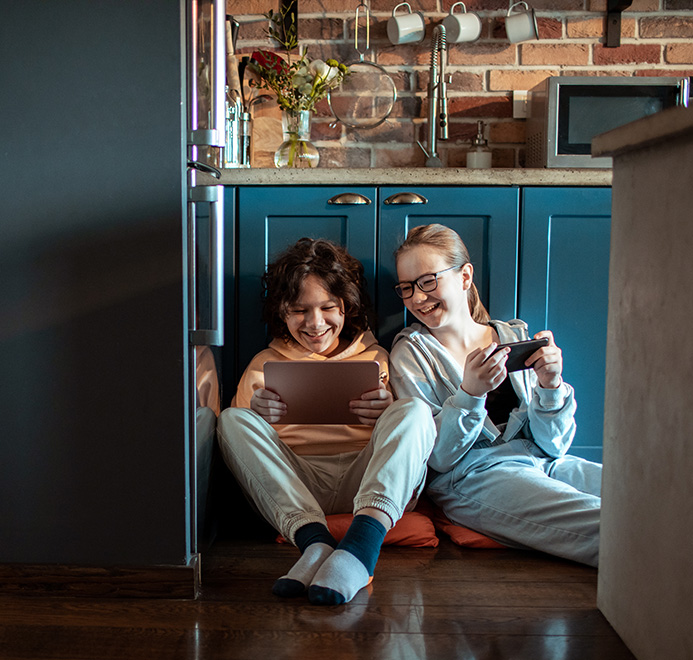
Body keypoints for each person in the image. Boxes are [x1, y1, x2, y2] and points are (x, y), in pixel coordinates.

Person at [217, 238, 435, 605]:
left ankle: (360, 550)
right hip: (297, 486)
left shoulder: (378, 357)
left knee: (415, 410)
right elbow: (246, 458)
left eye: (328, 307)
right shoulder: (262, 364)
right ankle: (314, 544)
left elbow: (409, 440)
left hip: (365, 481)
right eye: (299, 310)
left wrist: (388, 408)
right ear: (282, 312)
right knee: (232, 419)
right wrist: (257, 414)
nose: (315, 323)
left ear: (346, 307)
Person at [388, 224, 601, 567]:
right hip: (474, 478)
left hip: (545, 462)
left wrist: (550, 384)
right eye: (407, 288)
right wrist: (470, 393)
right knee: (604, 522)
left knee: (639, 497)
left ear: (465, 276)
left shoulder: (512, 335)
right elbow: (438, 459)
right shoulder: (411, 354)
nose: (417, 298)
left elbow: (554, 446)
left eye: (428, 281)